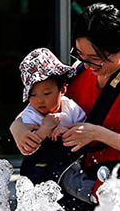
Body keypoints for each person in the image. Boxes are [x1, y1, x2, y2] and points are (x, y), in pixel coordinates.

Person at [10, 3, 120, 211]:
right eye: (80, 54)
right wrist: (17, 126)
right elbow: (50, 107)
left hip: (118, 184)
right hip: (74, 177)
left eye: (96, 58)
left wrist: (98, 134)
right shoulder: (81, 71)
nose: (88, 64)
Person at [16, 48, 86, 184]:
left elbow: (84, 128)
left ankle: (95, 195)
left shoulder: (70, 107)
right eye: (33, 95)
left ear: (63, 90)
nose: (40, 100)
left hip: (68, 164)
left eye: (47, 93)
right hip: (38, 169)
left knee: (75, 180)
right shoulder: (30, 114)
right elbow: (27, 149)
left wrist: (66, 131)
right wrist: (44, 129)